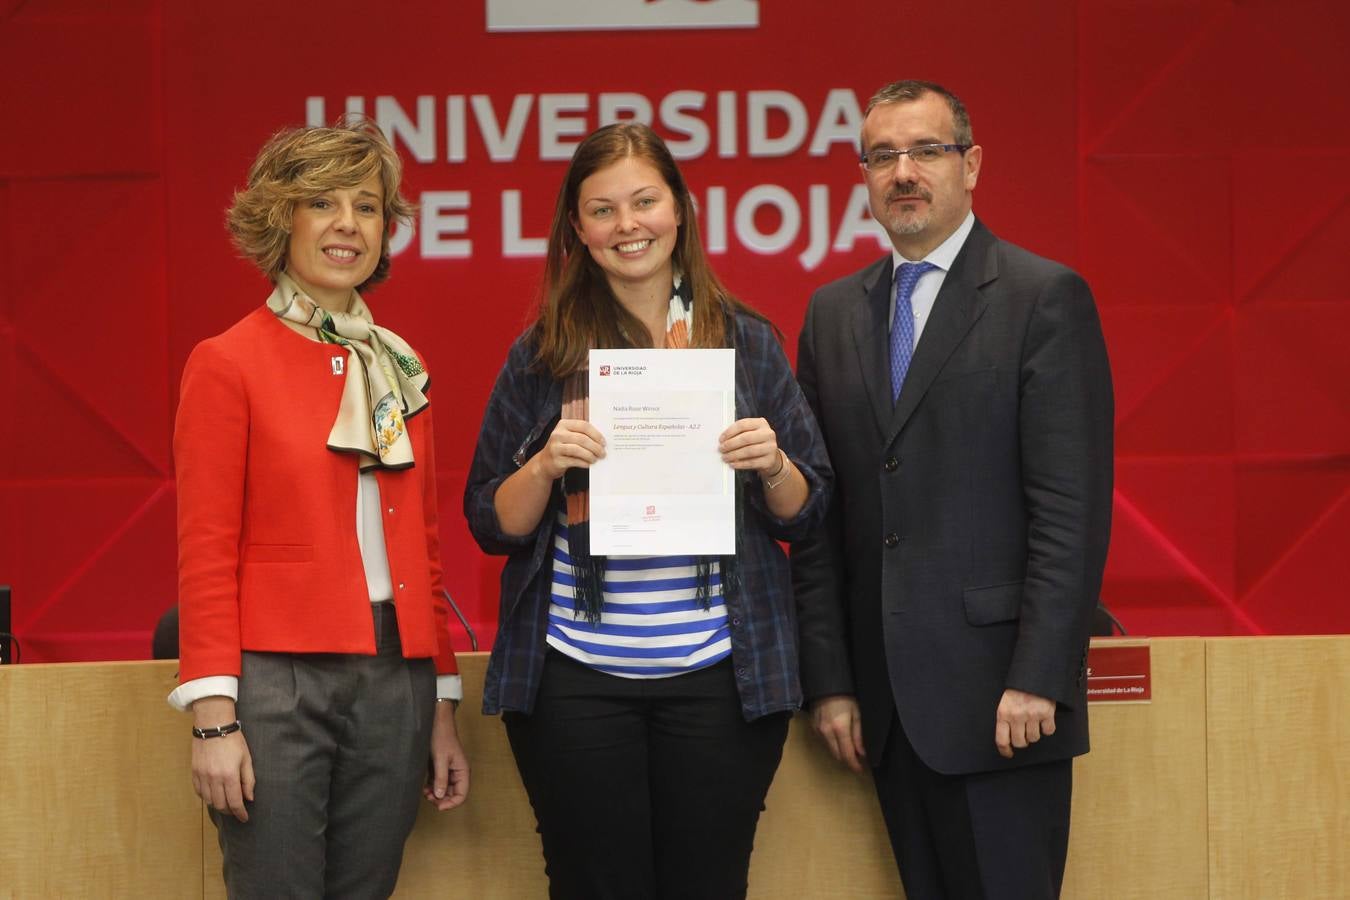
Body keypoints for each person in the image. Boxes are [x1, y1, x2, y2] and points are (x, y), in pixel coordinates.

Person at [464, 122, 831, 900]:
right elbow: (491, 521)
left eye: (644, 202)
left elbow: (808, 511)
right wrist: (545, 462)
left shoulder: (748, 343)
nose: (627, 225)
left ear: (681, 210)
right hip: (573, 681)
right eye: (603, 209)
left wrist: (771, 463)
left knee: (709, 884)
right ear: (577, 229)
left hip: (720, 680)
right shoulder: (539, 355)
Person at [792, 80, 1114, 899]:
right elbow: (822, 519)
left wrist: (1041, 672)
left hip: (1007, 702)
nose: (904, 172)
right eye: (883, 155)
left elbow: (1070, 512)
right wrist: (831, 680)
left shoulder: (1044, 298)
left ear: (970, 166)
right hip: (886, 713)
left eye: (926, 151)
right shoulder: (831, 315)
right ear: (863, 175)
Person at [169, 118, 470, 898]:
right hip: (274, 680)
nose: (348, 225)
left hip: (394, 676)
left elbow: (424, 547)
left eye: (367, 207)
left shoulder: (400, 365)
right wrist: (213, 718)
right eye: (323, 204)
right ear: (282, 221)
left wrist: (440, 701)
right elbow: (204, 551)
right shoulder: (226, 361)